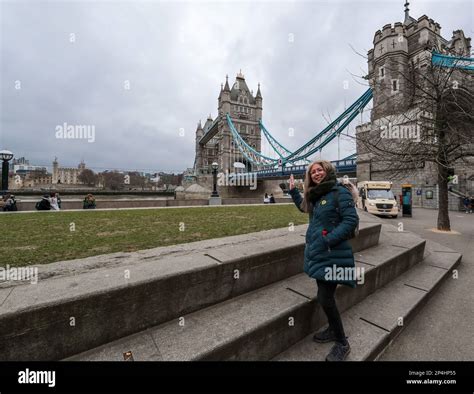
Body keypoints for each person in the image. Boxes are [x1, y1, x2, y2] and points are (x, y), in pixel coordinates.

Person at [288, 160, 359, 362]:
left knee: (325, 297)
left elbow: (350, 221)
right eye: (312, 172)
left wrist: (327, 240)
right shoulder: (318, 195)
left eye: (319, 170)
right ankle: (332, 330)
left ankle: (342, 343)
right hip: (321, 253)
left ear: (327, 171)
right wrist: (293, 192)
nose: (316, 174)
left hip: (333, 253)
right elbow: (305, 208)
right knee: (325, 296)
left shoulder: (339, 192)